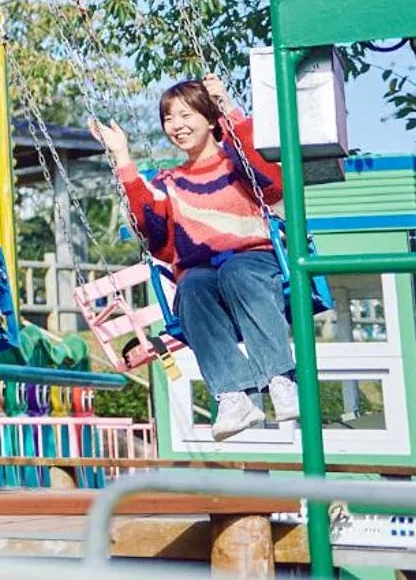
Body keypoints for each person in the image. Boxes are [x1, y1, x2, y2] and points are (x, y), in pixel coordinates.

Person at [88, 77, 297, 441]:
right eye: (169, 118)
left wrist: (229, 108)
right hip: (204, 274)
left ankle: (279, 378)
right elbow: (152, 233)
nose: (177, 126)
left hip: (253, 261)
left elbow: (271, 182)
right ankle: (234, 396)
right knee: (193, 285)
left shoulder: (236, 164)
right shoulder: (171, 180)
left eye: (185, 115)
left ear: (210, 118)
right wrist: (123, 158)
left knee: (235, 272)